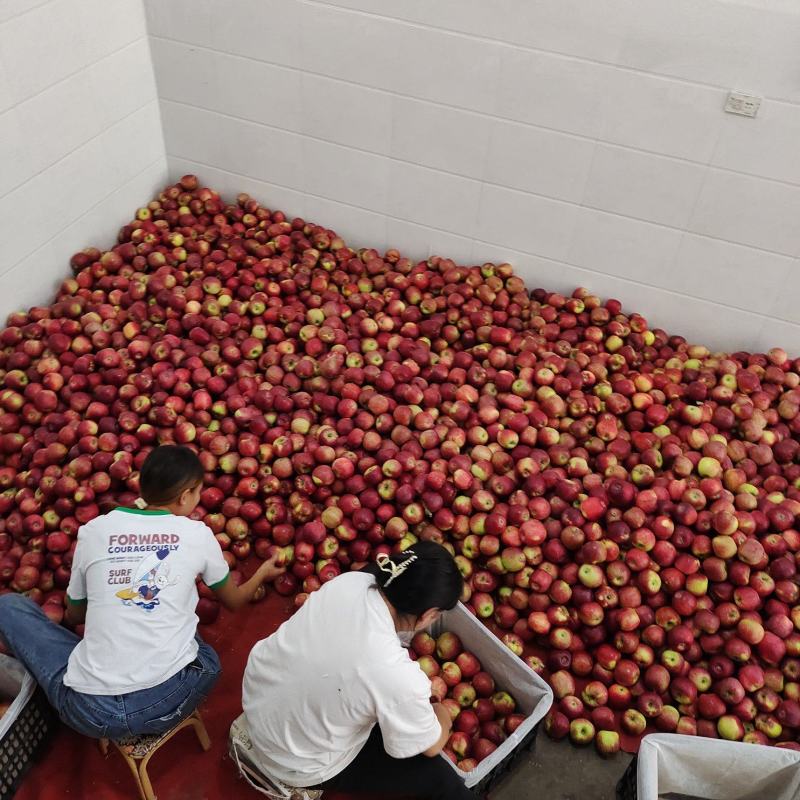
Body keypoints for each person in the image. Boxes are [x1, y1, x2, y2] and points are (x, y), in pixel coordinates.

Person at [0, 444, 284, 740]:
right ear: (185, 496)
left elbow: (74, 614)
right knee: (192, 636)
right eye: (198, 492)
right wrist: (262, 571)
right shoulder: (196, 534)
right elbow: (235, 601)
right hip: (175, 695)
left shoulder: (93, 530)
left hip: (93, 713)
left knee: (8, 607)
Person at [237, 541, 477, 800]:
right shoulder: (396, 673)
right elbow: (431, 747)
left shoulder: (350, 582)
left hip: (256, 699)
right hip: (296, 760)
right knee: (441, 779)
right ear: (429, 614)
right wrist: (441, 714)